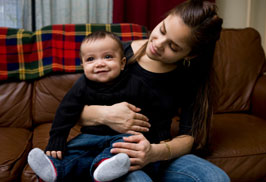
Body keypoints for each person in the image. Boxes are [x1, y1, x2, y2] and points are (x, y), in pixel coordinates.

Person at [78, 0, 231, 181]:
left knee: (217, 178)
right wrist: (107, 114)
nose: (158, 43)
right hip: (112, 155)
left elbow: (188, 137)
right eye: (162, 30)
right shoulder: (118, 55)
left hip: (157, 153)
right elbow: (72, 110)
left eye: (173, 47)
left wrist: (154, 153)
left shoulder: (189, 76)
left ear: (190, 54)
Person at [27, 30, 183, 182]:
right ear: (83, 65)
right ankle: (54, 169)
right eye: (90, 59)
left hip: (122, 137)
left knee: (129, 147)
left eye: (108, 57)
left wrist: (162, 138)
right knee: (73, 150)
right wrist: (57, 139)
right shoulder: (82, 85)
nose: (99, 63)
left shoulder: (136, 84)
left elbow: (157, 111)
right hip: (90, 137)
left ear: (122, 63)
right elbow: (66, 111)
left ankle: (104, 166)